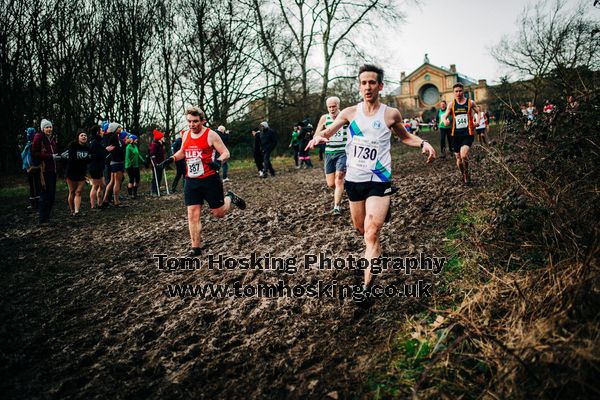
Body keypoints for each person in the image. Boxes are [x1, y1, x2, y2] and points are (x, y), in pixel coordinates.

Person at [307, 64, 436, 291]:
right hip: (355, 180)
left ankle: (367, 287)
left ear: (380, 86)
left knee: (371, 231)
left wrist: (423, 143)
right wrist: (320, 137)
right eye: (364, 83)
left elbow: (405, 137)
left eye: (372, 83)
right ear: (359, 86)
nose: (368, 87)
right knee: (361, 229)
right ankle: (375, 249)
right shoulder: (350, 113)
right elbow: (329, 131)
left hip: (379, 180)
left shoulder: (390, 114)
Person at [157, 106, 246, 256]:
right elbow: (183, 152)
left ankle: (230, 197)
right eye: (189, 122)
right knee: (192, 214)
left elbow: (226, 152)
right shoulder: (185, 134)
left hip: (209, 179)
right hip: (191, 181)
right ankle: (196, 248)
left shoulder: (211, 135)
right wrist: (170, 159)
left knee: (219, 213)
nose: (192, 125)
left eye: (195, 122)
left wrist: (218, 162)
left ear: (202, 120)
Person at [441, 82, 480, 185]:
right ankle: (463, 173)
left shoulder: (470, 103)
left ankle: (467, 173)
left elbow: (478, 111)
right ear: (454, 93)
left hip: (468, 133)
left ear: (463, 91)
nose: (458, 93)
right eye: (456, 91)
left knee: (463, 155)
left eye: (460, 91)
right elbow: (444, 116)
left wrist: (478, 120)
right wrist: (445, 121)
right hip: (455, 135)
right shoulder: (451, 104)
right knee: (458, 158)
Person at [315, 96, 347, 215]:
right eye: (329, 107)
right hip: (329, 152)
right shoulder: (324, 118)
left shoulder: (344, 117)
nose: (332, 109)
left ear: (338, 106)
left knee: (339, 177)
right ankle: (343, 188)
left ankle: (337, 207)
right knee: (331, 184)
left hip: (343, 152)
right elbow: (317, 133)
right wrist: (317, 139)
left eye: (334, 106)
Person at [31, 119, 59, 224]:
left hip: (53, 169)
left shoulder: (51, 138)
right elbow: (34, 153)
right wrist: (50, 156)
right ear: (43, 128)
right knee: (45, 194)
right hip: (44, 170)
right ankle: (42, 219)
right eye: (47, 127)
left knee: (51, 195)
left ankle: (46, 218)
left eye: (50, 127)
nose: (49, 129)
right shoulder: (39, 137)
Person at [65, 130, 92, 215]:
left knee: (79, 191)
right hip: (71, 172)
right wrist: (84, 160)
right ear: (78, 137)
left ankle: (77, 211)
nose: (84, 137)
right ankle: (72, 210)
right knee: (72, 191)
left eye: (85, 135)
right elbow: (72, 159)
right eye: (82, 135)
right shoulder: (73, 146)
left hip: (82, 173)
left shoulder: (87, 148)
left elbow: (89, 160)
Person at [101, 122, 124, 207]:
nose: (120, 129)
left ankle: (105, 199)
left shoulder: (114, 137)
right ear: (114, 129)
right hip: (117, 162)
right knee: (117, 182)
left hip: (114, 162)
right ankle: (116, 201)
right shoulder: (114, 137)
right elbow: (117, 149)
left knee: (112, 182)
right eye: (118, 127)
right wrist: (124, 145)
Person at [22, 127, 41, 210]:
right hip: (31, 168)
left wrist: (33, 166)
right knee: (34, 185)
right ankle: (35, 203)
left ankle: (36, 204)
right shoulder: (30, 144)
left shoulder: (31, 144)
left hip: (33, 168)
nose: (28, 135)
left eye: (28, 133)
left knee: (35, 185)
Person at [88, 125, 107, 210]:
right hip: (94, 167)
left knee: (102, 185)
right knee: (95, 186)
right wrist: (106, 150)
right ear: (97, 132)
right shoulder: (94, 142)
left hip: (100, 167)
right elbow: (96, 155)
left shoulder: (99, 141)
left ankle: (100, 203)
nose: (103, 132)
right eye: (101, 130)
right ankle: (93, 205)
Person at [125, 134, 145, 198]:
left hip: (136, 166)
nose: (137, 140)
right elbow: (127, 158)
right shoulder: (128, 147)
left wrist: (144, 161)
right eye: (136, 139)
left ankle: (135, 193)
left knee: (137, 179)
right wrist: (130, 165)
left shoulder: (135, 146)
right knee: (131, 179)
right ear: (132, 140)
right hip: (130, 166)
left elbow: (138, 155)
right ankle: (130, 194)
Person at [149, 129, 166, 195]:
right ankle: (153, 191)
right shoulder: (154, 144)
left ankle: (157, 190)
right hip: (156, 164)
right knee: (155, 177)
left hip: (161, 163)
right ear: (159, 138)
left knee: (159, 177)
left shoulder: (160, 144)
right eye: (162, 137)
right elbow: (152, 154)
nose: (163, 138)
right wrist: (155, 163)